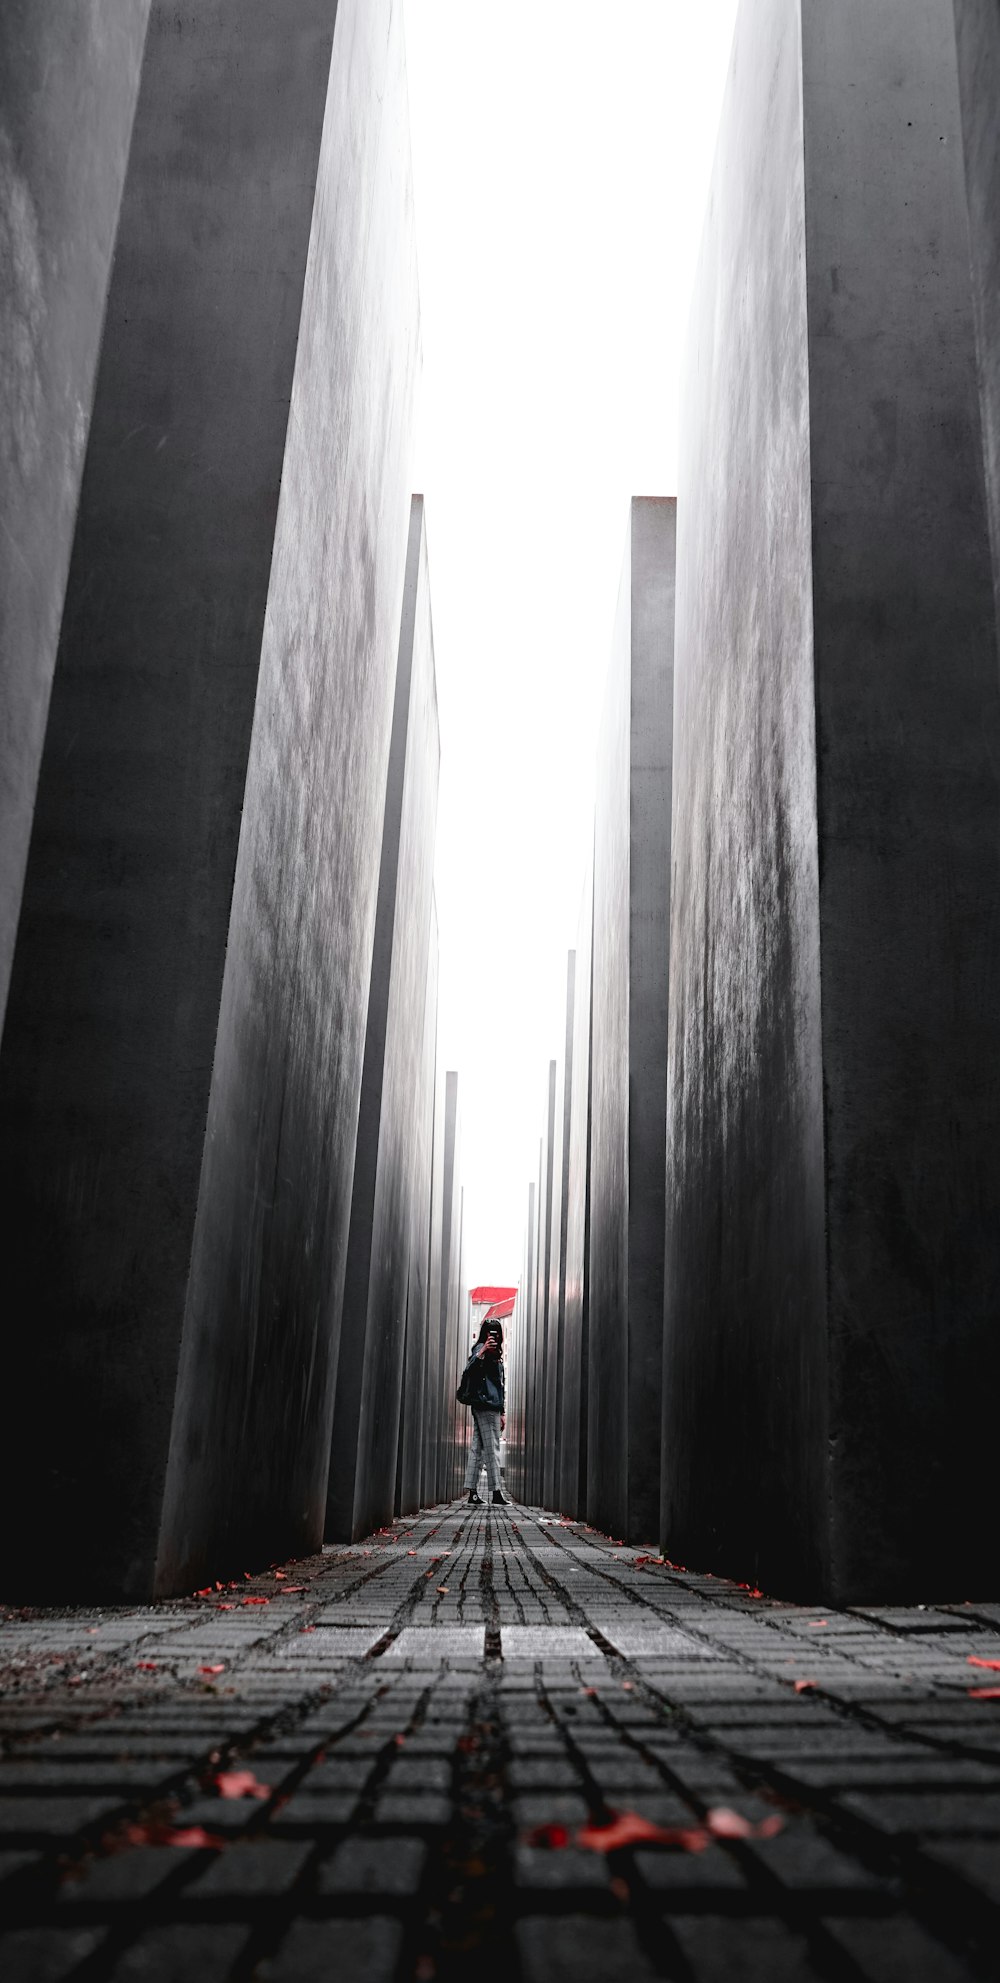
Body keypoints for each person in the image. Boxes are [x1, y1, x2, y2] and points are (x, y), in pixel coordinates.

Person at [460, 1319, 509, 1506]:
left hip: (489, 1405)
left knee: (478, 1448)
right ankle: (496, 1493)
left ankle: (472, 1493)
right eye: (491, 1333)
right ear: (485, 1334)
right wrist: (482, 1352)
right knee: (493, 1449)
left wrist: (502, 1410)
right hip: (486, 1405)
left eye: (496, 1333)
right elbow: (469, 1369)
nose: (494, 1337)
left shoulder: (496, 1354)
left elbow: (500, 1384)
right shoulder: (480, 1348)